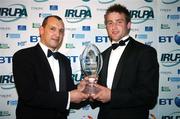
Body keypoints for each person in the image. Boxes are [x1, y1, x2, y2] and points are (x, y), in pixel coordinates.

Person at [90, 4, 159, 119]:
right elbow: (101, 92)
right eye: (110, 23)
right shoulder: (102, 56)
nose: (114, 27)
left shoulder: (145, 52)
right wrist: (91, 93)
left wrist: (112, 95)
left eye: (119, 22)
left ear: (128, 25)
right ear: (106, 26)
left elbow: (148, 95)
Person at [12, 15, 88, 119]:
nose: (57, 34)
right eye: (53, 29)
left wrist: (80, 88)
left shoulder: (64, 61)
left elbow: (67, 93)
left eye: (61, 31)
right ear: (41, 30)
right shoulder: (23, 56)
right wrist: (69, 97)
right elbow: (29, 96)